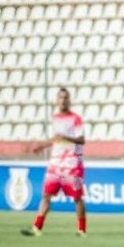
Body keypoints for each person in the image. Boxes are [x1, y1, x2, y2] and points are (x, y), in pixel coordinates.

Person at [21, 87, 87, 237]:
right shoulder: (55, 118)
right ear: (57, 100)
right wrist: (42, 146)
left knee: (77, 197)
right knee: (46, 195)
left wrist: (65, 137)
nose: (63, 100)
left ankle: (82, 230)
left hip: (73, 165)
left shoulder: (76, 119)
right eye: (61, 98)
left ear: (69, 101)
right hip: (56, 164)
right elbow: (56, 138)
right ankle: (37, 228)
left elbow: (81, 140)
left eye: (65, 98)